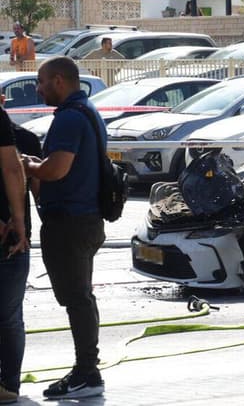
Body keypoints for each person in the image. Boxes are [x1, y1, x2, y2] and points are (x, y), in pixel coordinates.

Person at [22, 56, 106, 400]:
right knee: (80, 296)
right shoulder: (87, 111)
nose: (38, 89)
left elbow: (57, 169)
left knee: (77, 299)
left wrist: (27, 166)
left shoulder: (70, 118)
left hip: (71, 223)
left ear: (59, 80)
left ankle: (87, 372)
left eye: (41, 82)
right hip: (85, 219)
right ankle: (87, 370)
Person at [0, 102, 29, 404]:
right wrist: (18, 221)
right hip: (7, 232)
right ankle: (8, 386)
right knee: (8, 317)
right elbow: (11, 166)